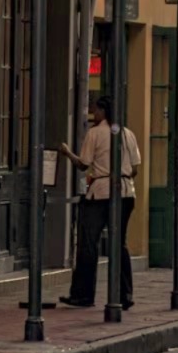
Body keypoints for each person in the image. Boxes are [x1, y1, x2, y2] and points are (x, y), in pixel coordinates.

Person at [55, 96, 139, 309]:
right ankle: (125, 294)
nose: (94, 113)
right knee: (119, 243)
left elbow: (83, 164)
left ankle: (83, 294)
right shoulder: (127, 133)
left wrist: (66, 152)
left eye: (96, 110)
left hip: (101, 193)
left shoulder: (95, 133)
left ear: (103, 111)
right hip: (127, 192)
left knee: (89, 242)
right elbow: (135, 168)